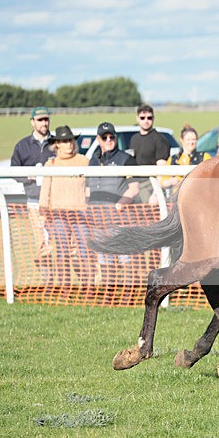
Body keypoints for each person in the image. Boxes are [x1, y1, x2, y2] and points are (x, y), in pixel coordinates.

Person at [87, 122, 140, 304]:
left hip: (120, 218)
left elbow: (133, 189)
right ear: (98, 139)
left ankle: (128, 295)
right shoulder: (92, 161)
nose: (109, 140)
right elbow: (87, 189)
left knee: (126, 258)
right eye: (105, 137)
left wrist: (119, 206)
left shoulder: (126, 159)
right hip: (98, 217)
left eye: (112, 137)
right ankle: (109, 296)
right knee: (105, 258)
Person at [38, 125, 93, 289]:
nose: (68, 144)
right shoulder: (51, 164)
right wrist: (43, 214)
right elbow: (45, 190)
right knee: (62, 252)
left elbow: (90, 187)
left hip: (80, 213)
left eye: (70, 140)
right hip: (58, 215)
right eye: (64, 141)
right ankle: (64, 287)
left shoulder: (84, 162)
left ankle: (88, 286)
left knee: (84, 251)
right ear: (57, 144)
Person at [11, 106, 55, 283]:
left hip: (57, 200)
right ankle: (47, 282)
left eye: (46, 119)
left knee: (63, 242)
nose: (44, 123)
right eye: (40, 120)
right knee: (41, 243)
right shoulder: (22, 146)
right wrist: (27, 176)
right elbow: (14, 171)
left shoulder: (57, 143)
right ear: (32, 122)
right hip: (35, 201)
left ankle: (65, 281)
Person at [129, 104, 170, 203]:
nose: (146, 121)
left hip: (152, 184)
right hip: (135, 184)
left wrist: (156, 193)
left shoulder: (160, 140)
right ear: (137, 118)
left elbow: (161, 169)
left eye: (149, 118)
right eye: (142, 118)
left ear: (153, 119)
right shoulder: (134, 139)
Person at [160, 124, 211, 196]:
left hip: (198, 195)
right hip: (177, 196)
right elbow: (163, 182)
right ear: (182, 140)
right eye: (188, 139)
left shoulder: (204, 157)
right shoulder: (173, 159)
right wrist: (172, 181)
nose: (191, 142)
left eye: (194, 139)